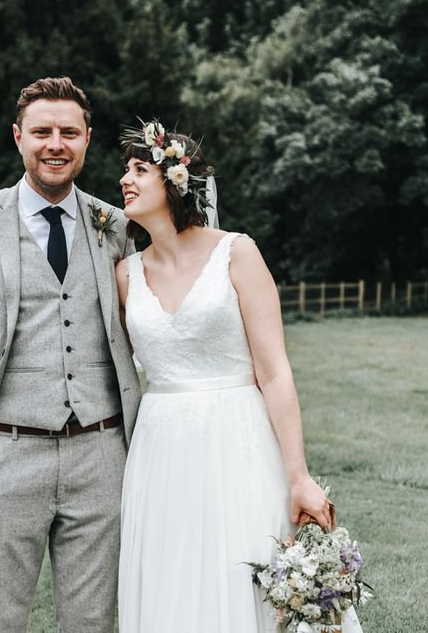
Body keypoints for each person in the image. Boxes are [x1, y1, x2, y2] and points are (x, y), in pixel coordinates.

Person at [115, 120, 363, 632]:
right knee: (172, 578)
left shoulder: (237, 252)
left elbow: (274, 372)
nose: (125, 179)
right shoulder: (125, 274)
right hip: (160, 451)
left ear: (175, 182)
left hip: (237, 441)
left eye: (140, 168)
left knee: (241, 571)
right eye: (125, 169)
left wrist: (299, 475)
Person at [0, 77, 141, 632]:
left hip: (101, 456)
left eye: (69, 132)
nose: (55, 144)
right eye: (42, 131)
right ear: (18, 137)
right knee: (0, 623)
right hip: (3, 453)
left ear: (87, 140)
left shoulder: (114, 225)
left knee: (93, 623)